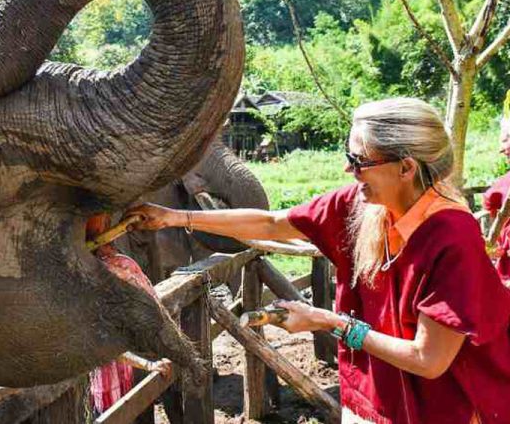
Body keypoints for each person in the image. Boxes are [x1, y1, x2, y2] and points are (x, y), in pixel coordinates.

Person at [126, 98, 510, 423]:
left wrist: (329, 322)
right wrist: (174, 217)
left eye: (358, 160)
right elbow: (272, 222)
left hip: (444, 407)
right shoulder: (359, 206)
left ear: (406, 168)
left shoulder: (452, 237)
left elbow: (429, 360)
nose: (349, 170)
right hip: (374, 395)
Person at [85, 213, 171, 417]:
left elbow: (152, 304)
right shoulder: (101, 275)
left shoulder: (121, 265)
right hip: (104, 385)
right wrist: (148, 364)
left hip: (123, 377)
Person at [483, 95, 510, 285]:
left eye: (507, 139)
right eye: (502, 140)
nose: (503, 148)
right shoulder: (498, 191)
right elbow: (494, 243)